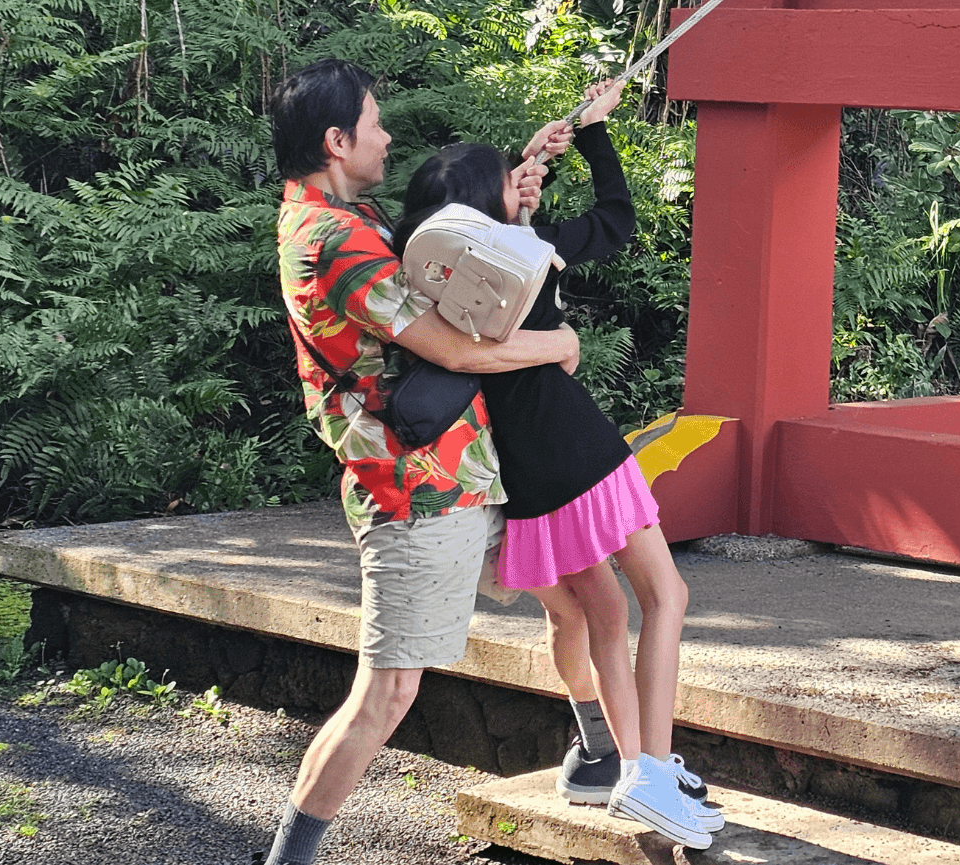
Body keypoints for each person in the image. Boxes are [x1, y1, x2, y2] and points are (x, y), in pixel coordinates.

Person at [261, 59, 581, 865]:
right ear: (337, 140)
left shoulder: (349, 216)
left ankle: (610, 754)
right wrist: (559, 344)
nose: (388, 135)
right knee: (387, 693)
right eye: (374, 122)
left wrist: (517, 174)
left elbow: (448, 242)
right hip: (415, 491)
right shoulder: (331, 238)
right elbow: (444, 342)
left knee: (583, 599)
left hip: (461, 476)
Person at [396, 79, 721, 849]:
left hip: (529, 475)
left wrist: (530, 170)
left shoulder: (435, 290)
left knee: (605, 616)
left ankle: (628, 763)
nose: (525, 183)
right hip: (582, 450)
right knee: (665, 596)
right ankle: (653, 770)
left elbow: (485, 233)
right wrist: (596, 136)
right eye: (511, 181)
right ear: (489, 210)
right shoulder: (535, 253)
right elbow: (618, 220)